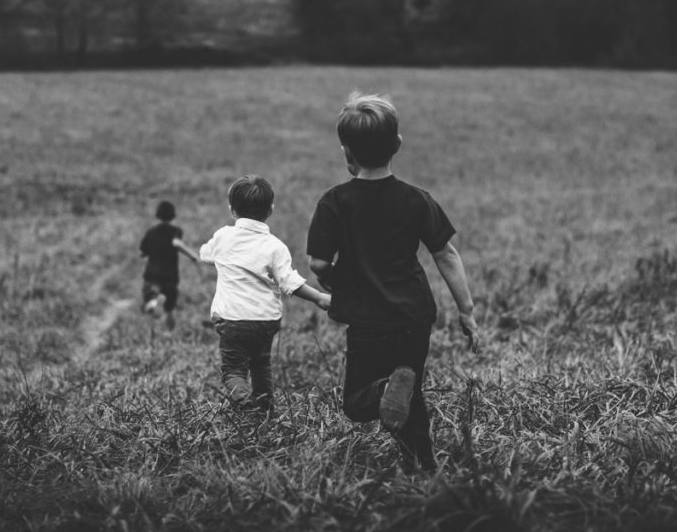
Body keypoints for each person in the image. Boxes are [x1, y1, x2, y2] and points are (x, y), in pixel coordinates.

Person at [306, 92, 480, 474]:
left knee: (358, 401)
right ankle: (424, 466)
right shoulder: (417, 200)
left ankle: (387, 392)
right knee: (408, 394)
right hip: (414, 318)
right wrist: (466, 311)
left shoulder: (335, 202)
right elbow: (447, 254)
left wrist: (334, 280)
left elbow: (318, 261)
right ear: (397, 146)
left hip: (368, 321)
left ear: (345, 151)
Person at [200, 175, 331, 414]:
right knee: (261, 365)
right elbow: (289, 281)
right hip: (265, 320)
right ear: (270, 210)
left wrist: (209, 252)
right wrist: (320, 297)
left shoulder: (222, 236)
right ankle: (266, 410)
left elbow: (206, 254)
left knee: (233, 371)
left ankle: (244, 403)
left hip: (232, 320)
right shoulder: (275, 246)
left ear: (232, 210)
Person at [140, 200, 199, 329]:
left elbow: (143, 251)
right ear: (173, 215)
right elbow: (177, 243)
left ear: (158, 214)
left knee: (149, 296)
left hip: (153, 274)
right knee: (170, 307)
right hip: (170, 275)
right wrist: (192, 255)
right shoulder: (175, 230)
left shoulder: (151, 232)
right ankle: (169, 331)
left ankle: (154, 301)